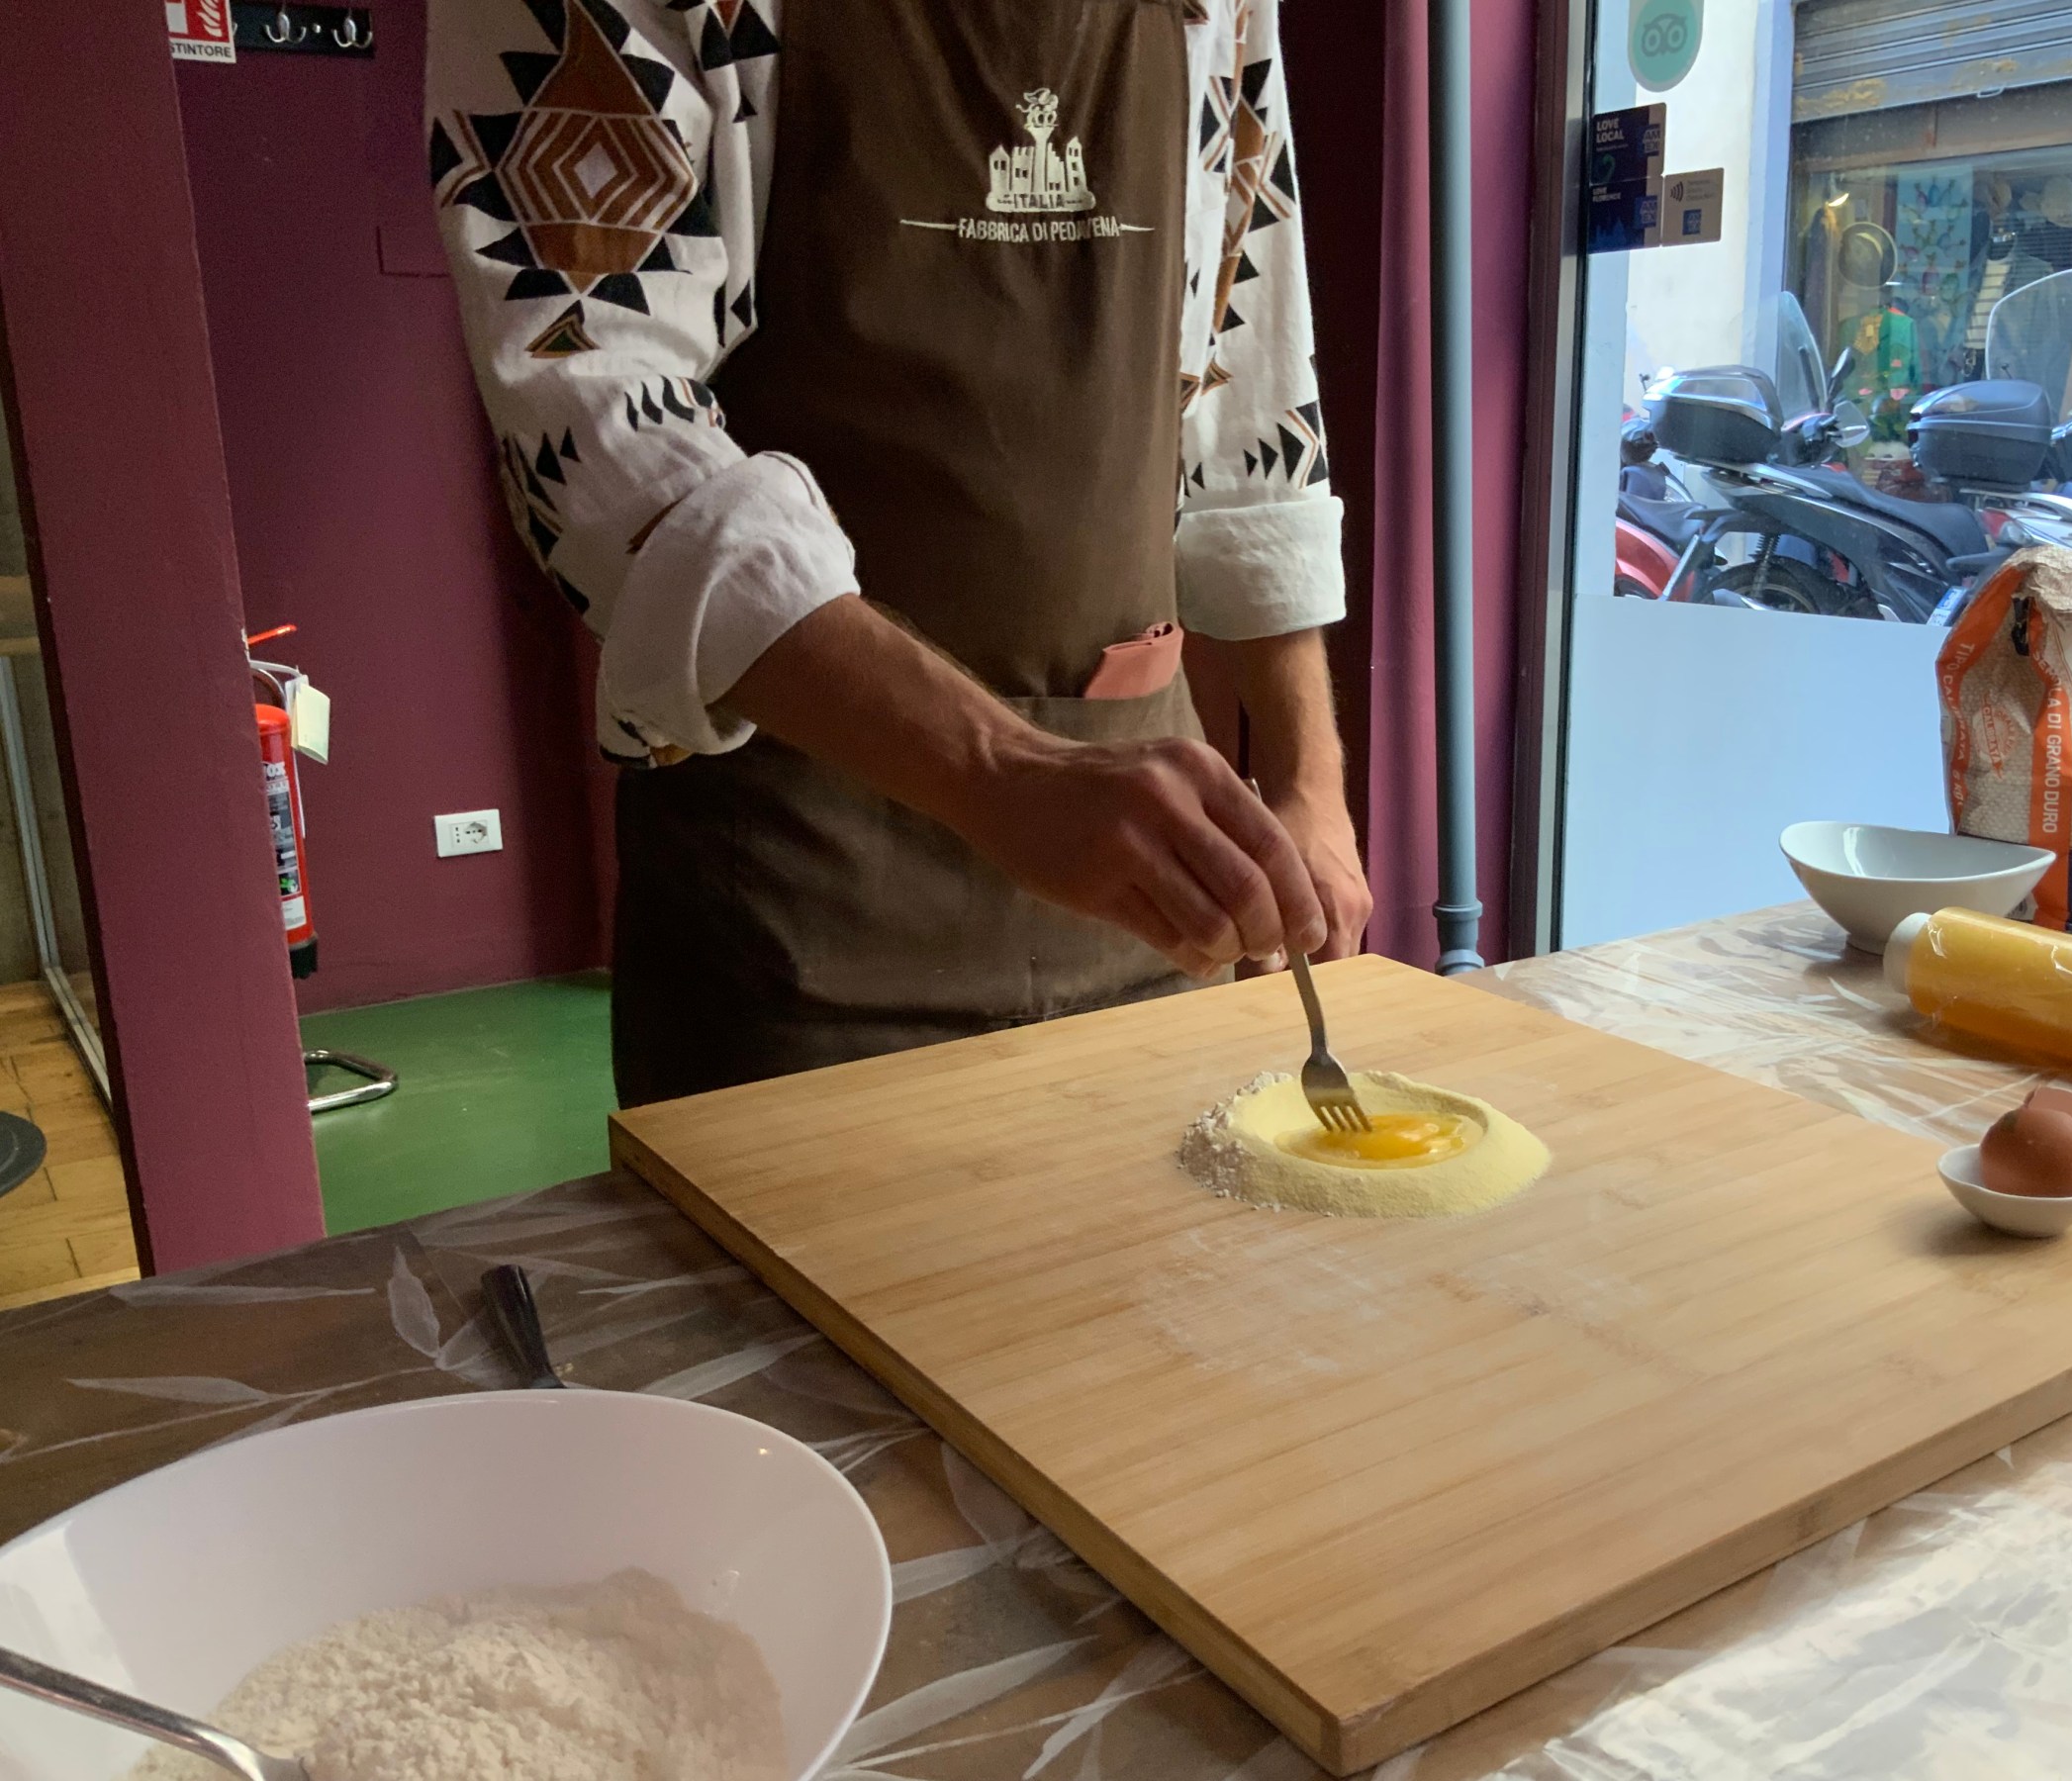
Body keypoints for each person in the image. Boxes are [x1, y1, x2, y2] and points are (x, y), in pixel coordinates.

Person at [425, 0, 1370, 1105]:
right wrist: (1005, 774)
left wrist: (1311, 784)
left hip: (1155, 912)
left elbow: (1252, 386)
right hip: (801, 911)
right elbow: (595, 424)